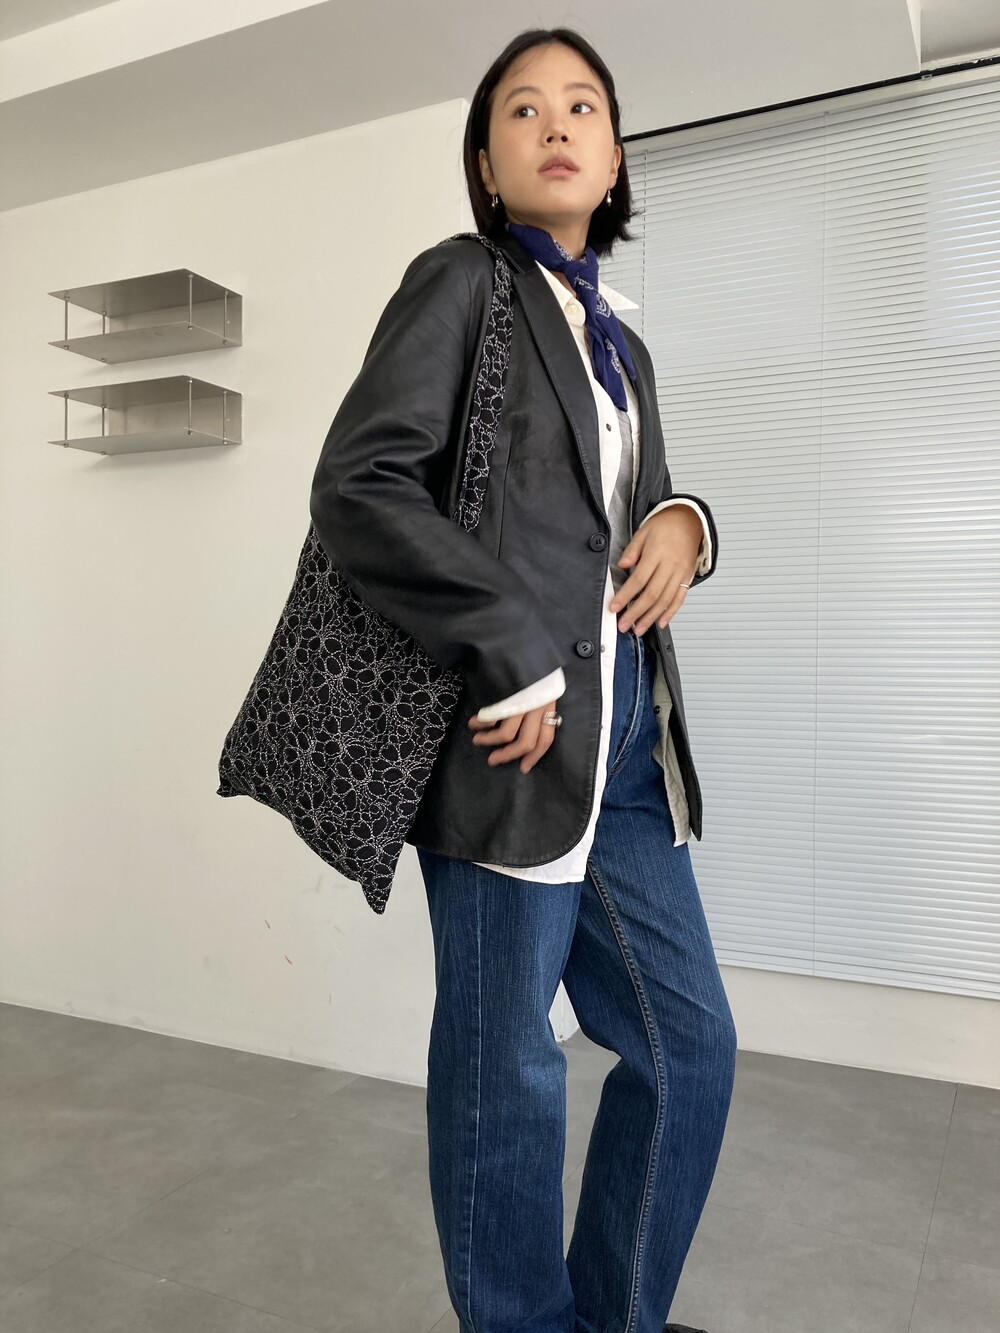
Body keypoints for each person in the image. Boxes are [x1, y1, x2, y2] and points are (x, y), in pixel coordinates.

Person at [309, 25, 738, 1333]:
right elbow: (361, 485)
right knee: (508, 1076)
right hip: (512, 743)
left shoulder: (625, 351)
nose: (556, 124)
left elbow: (630, 514)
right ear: (490, 166)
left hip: (627, 754)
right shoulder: (461, 283)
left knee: (689, 1047)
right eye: (523, 109)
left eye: (583, 107)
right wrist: (503, 644)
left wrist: (690, 523)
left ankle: (617, 1319)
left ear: (614, 159)